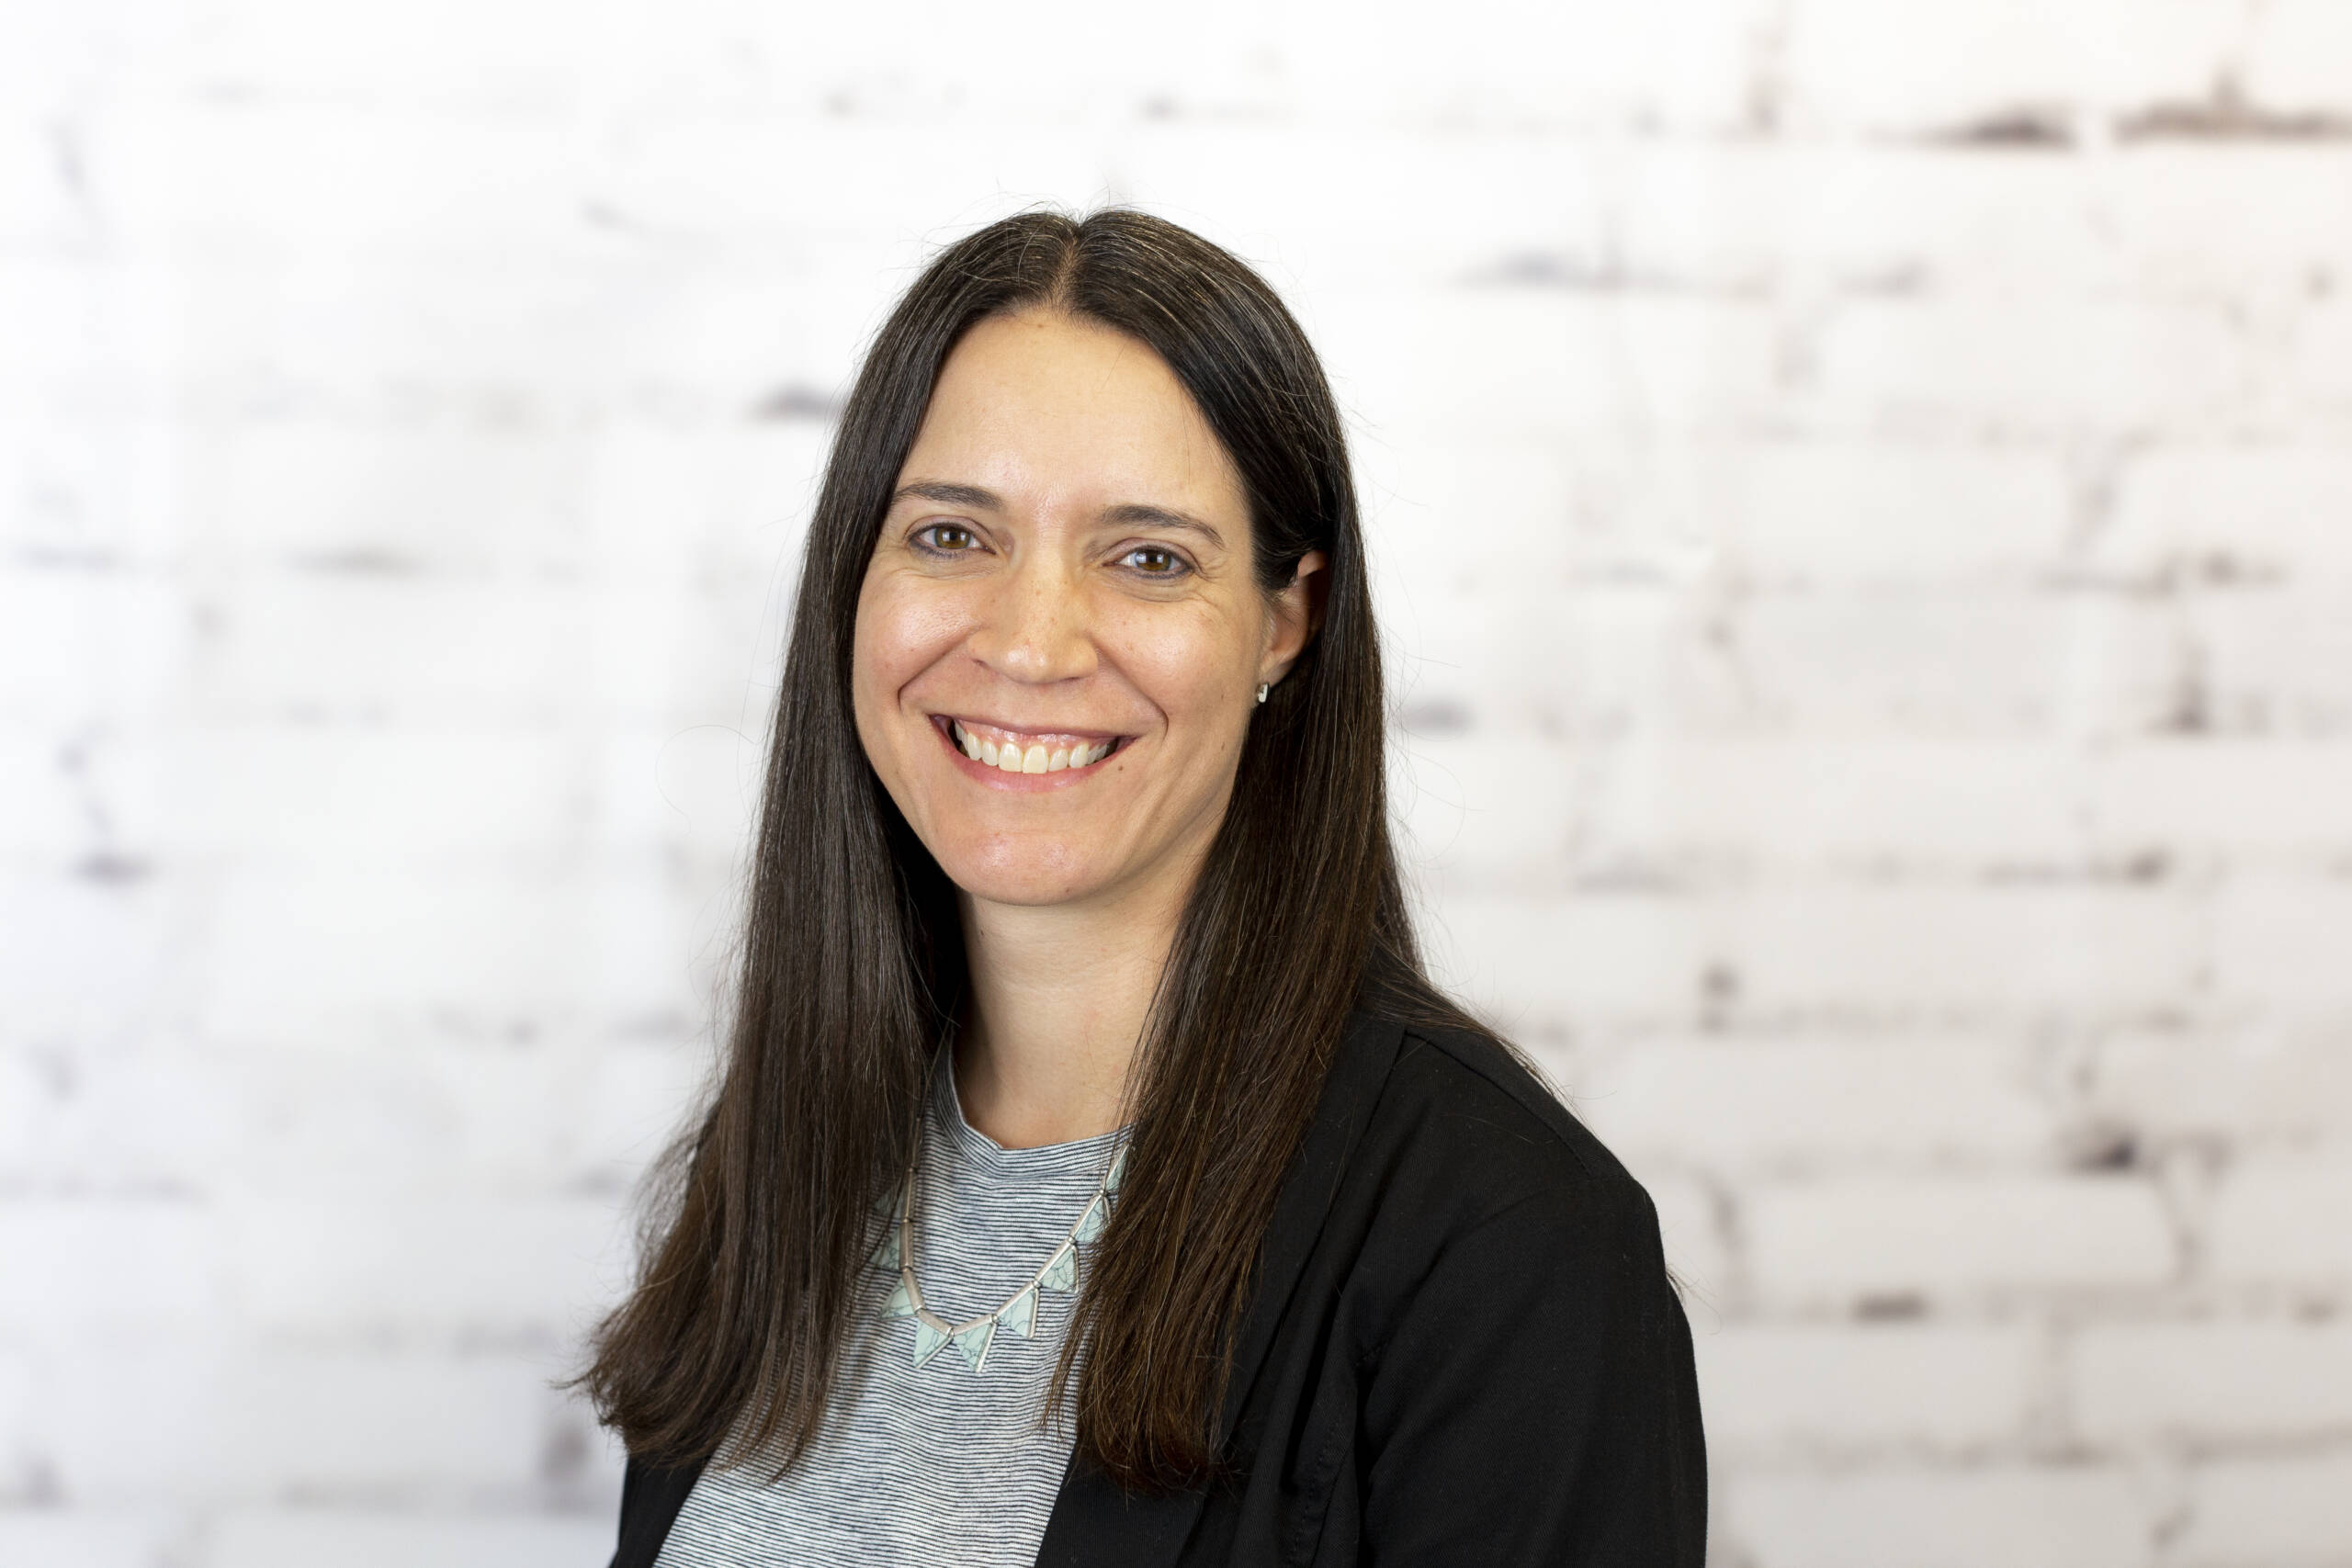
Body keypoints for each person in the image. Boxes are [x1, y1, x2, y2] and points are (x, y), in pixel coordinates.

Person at [581, 208, 1706, 1568]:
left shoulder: (1506, 1248)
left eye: (1149, 558)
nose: (1031, 641)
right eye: (951, 536)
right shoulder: (789, 1159)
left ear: (1286, 623)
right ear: (854, 579)